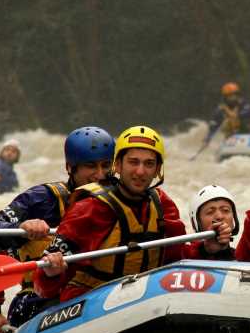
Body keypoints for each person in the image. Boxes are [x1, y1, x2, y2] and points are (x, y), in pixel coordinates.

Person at [0, 127, 115, 333]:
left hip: (99, 294)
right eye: (90, 166)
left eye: (105, 166)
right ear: (70, 167)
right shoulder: (42, 198)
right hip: (39, 299)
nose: (99, 175)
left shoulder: (121, 200)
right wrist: (20, 229)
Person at [34, 126, 188, 303]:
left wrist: (210, 248)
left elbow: (180, 259)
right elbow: (43, 286)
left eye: (149, 164)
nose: (140, 171)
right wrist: (52, 272)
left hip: (143, 297)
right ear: (118, 165)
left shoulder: (163, 204)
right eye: (133, 162)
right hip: (93, 298)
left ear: (157, 169)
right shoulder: (91, 207)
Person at [181, 183, 250, 263]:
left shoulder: (242, 257)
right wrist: (206, 251)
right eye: (210, 212)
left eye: (225, 210)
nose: (219, 216)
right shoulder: (183, 256)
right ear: (195, 223)